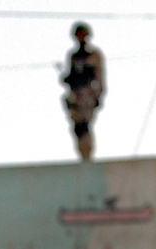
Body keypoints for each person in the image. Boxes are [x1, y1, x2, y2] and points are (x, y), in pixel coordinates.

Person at [62, 21, 105, 161]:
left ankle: (87, 154)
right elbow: (70, 75)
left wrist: (98, 95)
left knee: (85, 126)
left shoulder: (94, 55)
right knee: (77, 127)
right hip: (76, 94)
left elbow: (99, 76)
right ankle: (82, 154)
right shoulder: (73, 56)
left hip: (88, 93)